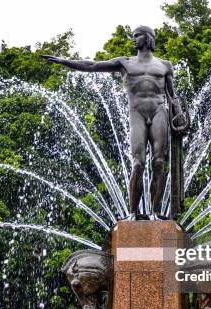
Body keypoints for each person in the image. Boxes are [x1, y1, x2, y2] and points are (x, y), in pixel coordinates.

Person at [41, 25, 183, 220]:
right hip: (137, 113)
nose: (133, 40)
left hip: (159, 112)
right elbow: (92, 66)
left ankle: (154, 213)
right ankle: (133, 213)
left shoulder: (165, 65)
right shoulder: (124, 63)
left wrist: (180, 115)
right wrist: (65, 61)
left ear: (148, 38)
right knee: (138, 163)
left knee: (158, 162)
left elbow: (172, 96)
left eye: (137, 36)